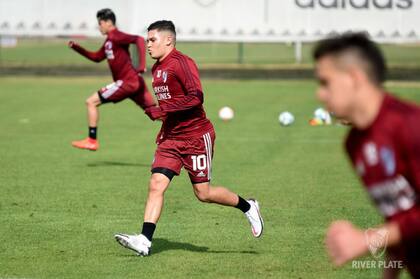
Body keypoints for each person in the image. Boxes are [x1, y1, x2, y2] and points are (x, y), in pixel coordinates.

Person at [114, 20, 264, 256]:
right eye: (147, 40)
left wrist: (163, 110)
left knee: (203, 194)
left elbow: (196, 97)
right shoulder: (157, 68)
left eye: (152, 40)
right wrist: (161, 116)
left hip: (196, 136)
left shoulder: (182, 63)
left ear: (168, 40)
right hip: (171, 138)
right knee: (156, 184)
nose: (148, 45)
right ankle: (145, 239)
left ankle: (248, 206)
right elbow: (171, 105)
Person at [314, 32, 420, 278]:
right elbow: (401, 219)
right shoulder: (355, 143)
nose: (320, 94)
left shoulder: (409, 125)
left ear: (354, 78)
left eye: (325, 83)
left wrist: (367, 239)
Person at [68, 8, 155, 151]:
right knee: (155, 112)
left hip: (126, 82)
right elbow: (97, 57)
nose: (99, 26)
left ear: (109, 22)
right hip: (135, 82)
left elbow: (138, 40)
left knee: (91, 102)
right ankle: (186, 128)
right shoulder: (110, 40)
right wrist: (77, 48)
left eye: (100, 23)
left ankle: (91, 140)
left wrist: (141, 65)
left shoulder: (116, 36)